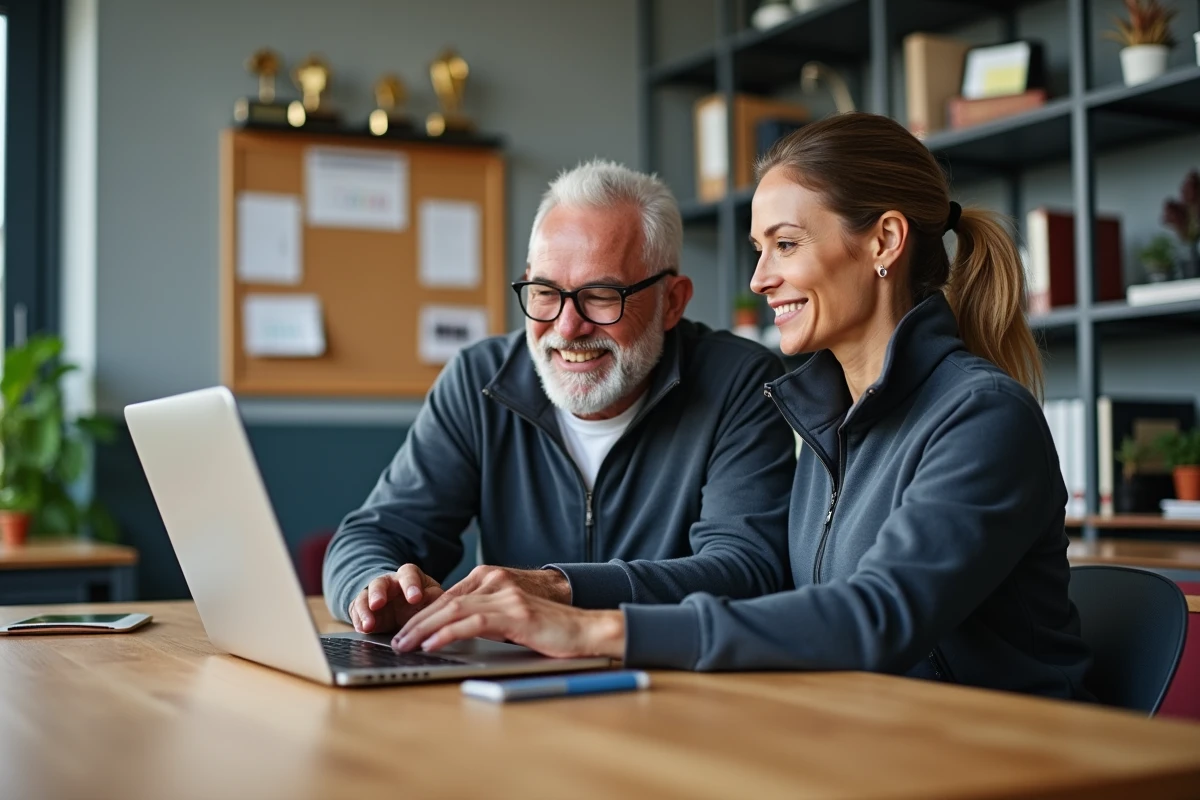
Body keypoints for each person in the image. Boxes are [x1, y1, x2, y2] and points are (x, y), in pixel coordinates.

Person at [392, 114, 1093, 700]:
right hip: (872, 738)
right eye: (759, 249)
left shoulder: (981, 417)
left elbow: (875, 618)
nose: (759, 278)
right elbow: (793, 603)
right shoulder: (829, 418)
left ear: (883, 241)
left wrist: (591, 627)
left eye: (785, 245)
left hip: (1008, 757)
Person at [323, 159, 796, 634]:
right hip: (510, 687)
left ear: (672, 301)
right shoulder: (479, 379)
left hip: (671, 681)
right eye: (545, 292)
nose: (568, 327)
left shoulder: (740, 382)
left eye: (602, 295)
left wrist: (559, 588)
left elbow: (747, 569)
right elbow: (371, 535)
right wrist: (377, 587)